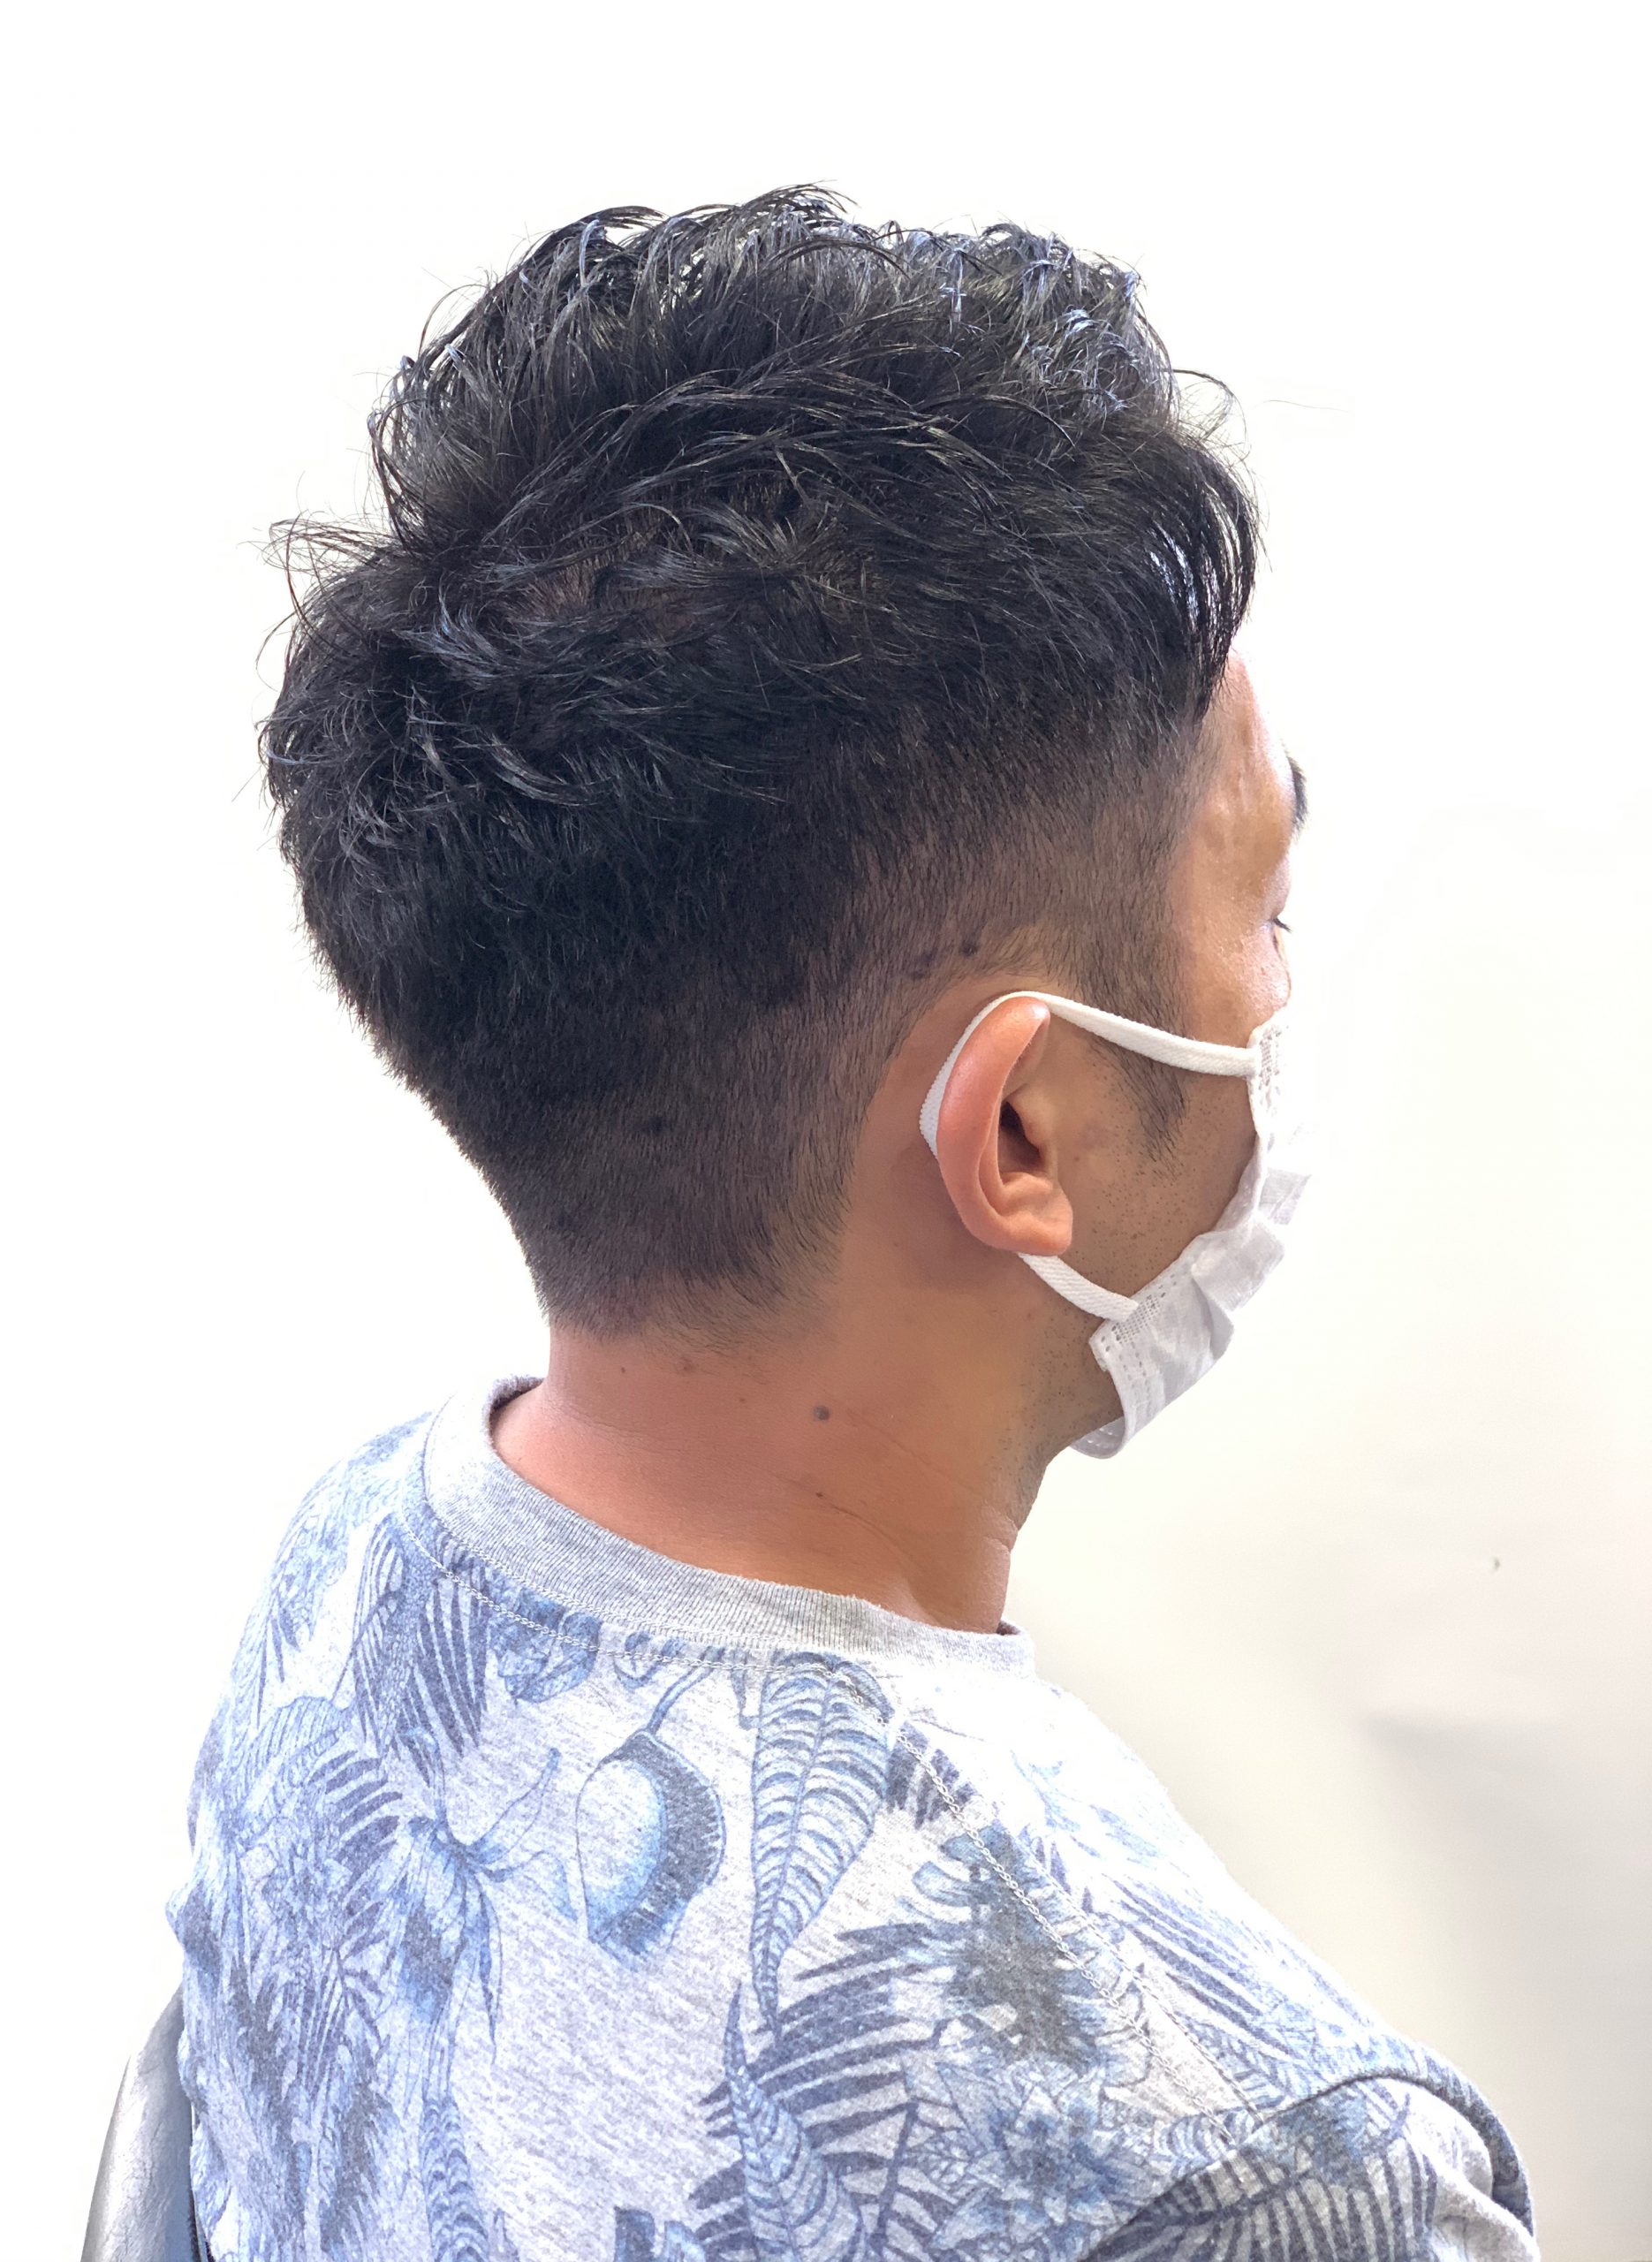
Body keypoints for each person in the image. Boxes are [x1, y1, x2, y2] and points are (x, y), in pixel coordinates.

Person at [167, 188, 1537, 2260]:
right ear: (1024, 1132)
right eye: (1262, 901)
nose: (1284, 988)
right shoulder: (1245, 2169)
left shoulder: (354, 1579)